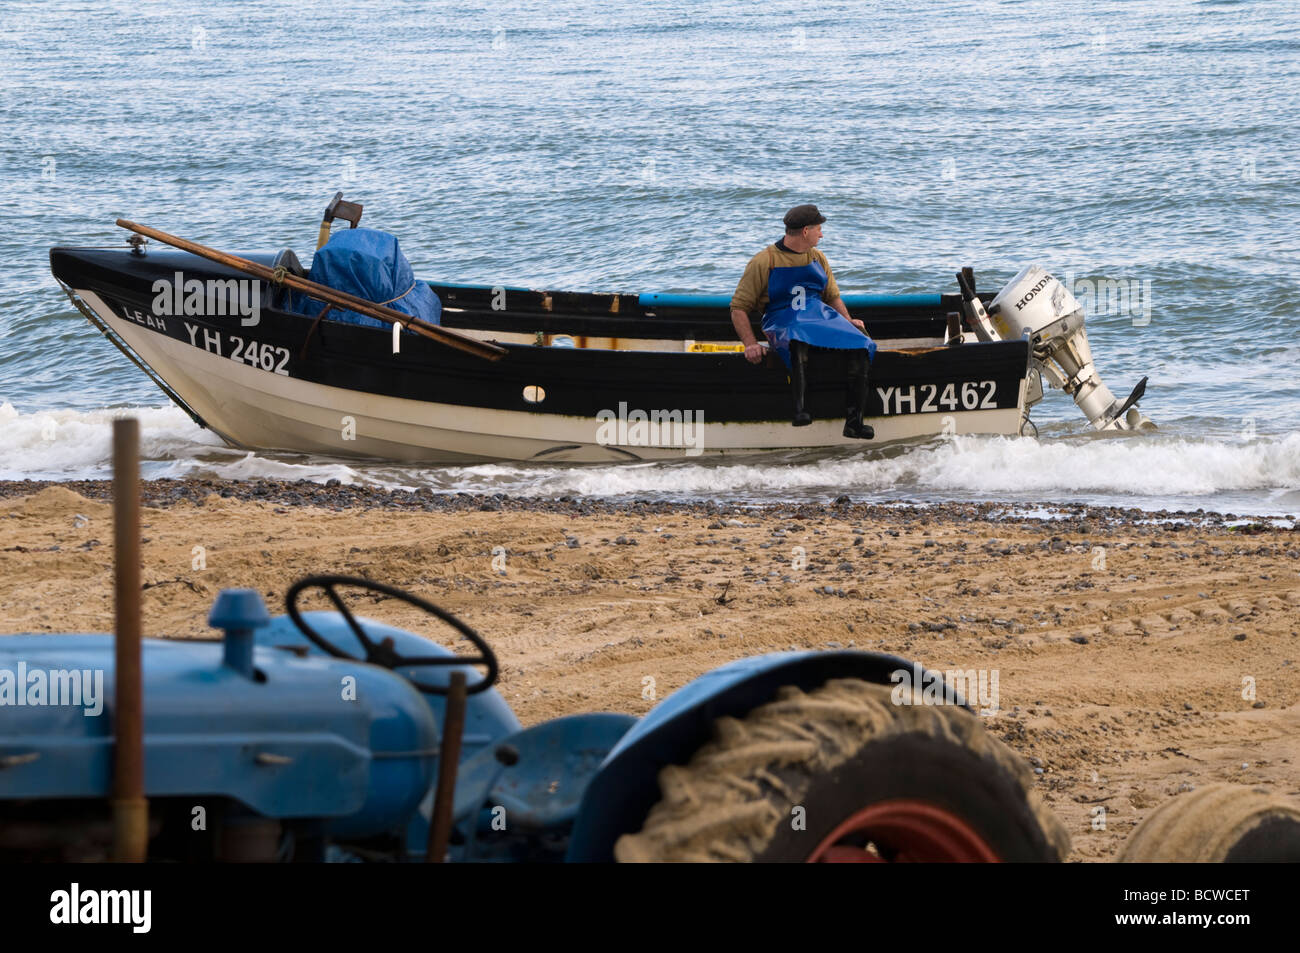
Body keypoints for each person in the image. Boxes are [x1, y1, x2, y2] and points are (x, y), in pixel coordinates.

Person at [730, 204, 877, 439]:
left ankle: (854, 422)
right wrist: (750, 344)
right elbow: (738, 307)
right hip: (782, 321)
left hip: (817, 317)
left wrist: (848, 321)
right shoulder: (764, 261)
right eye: (819, 229)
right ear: (806, 231)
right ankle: (800, 410)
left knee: (861, 344)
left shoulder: (818, 258)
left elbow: (832, 296)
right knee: (797, 341)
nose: (822, 234)